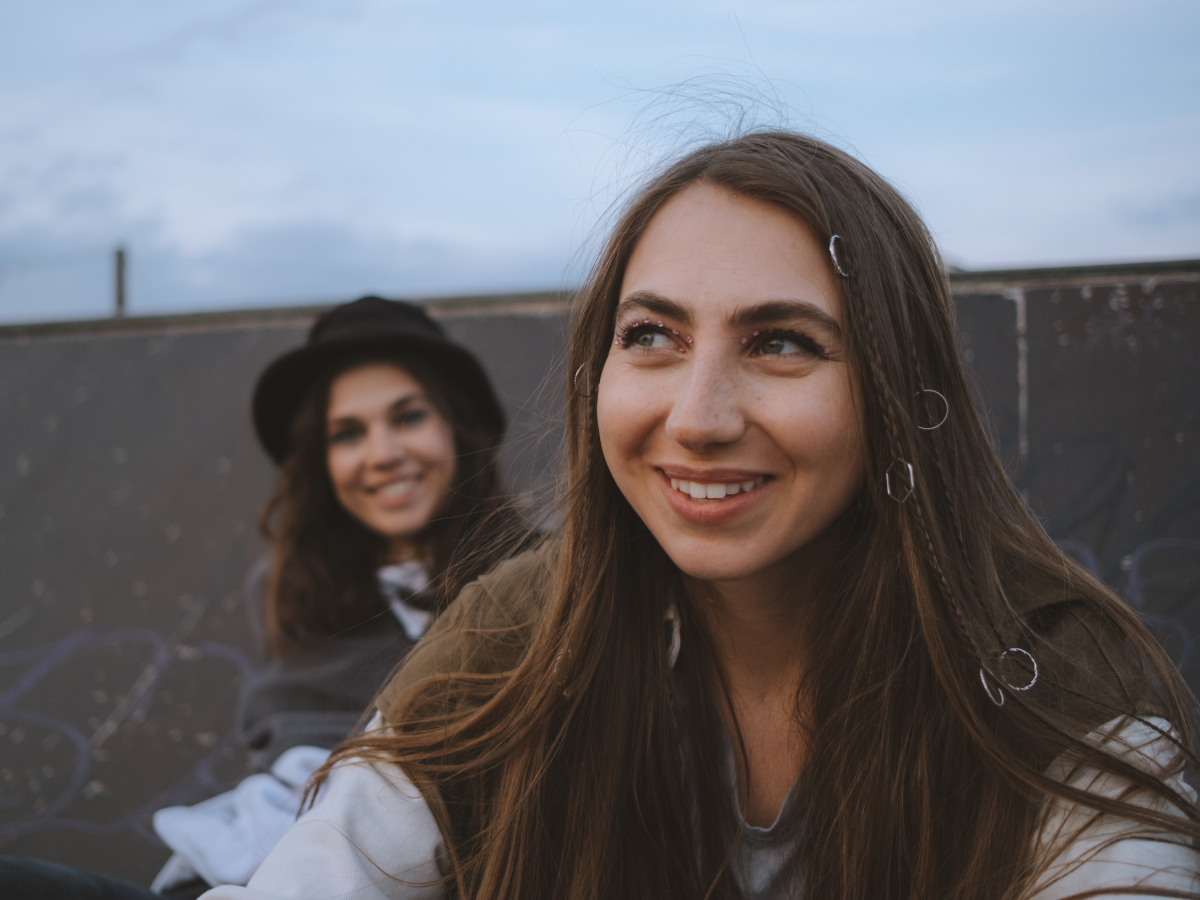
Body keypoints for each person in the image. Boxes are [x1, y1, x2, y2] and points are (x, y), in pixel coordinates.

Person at [147, 296, 520, 897]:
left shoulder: (546, 580)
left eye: (408, 417)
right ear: (322, 464)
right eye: (347, 433)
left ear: (458, 423)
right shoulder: (290, 592)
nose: (382, 454)